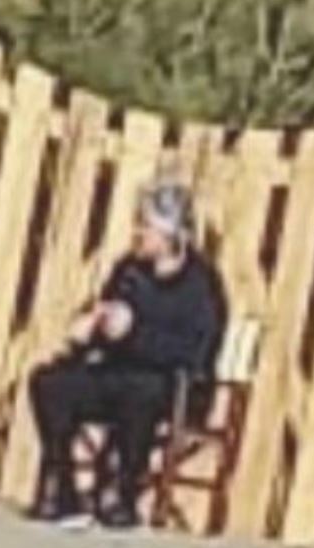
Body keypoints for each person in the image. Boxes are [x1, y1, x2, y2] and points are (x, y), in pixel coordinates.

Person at [29, 182, 226, 529]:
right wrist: (89, 330)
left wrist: (134, 333)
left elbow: (194, 351)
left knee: (141, 390)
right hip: (116, 370)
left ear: (170, 235)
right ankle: (60, 482)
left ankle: (120, 489)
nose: (138, 233)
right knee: (50, 383)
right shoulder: (129, 271)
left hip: (171, 383)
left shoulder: (200, 285)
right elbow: (106, 317)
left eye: (146, 226)